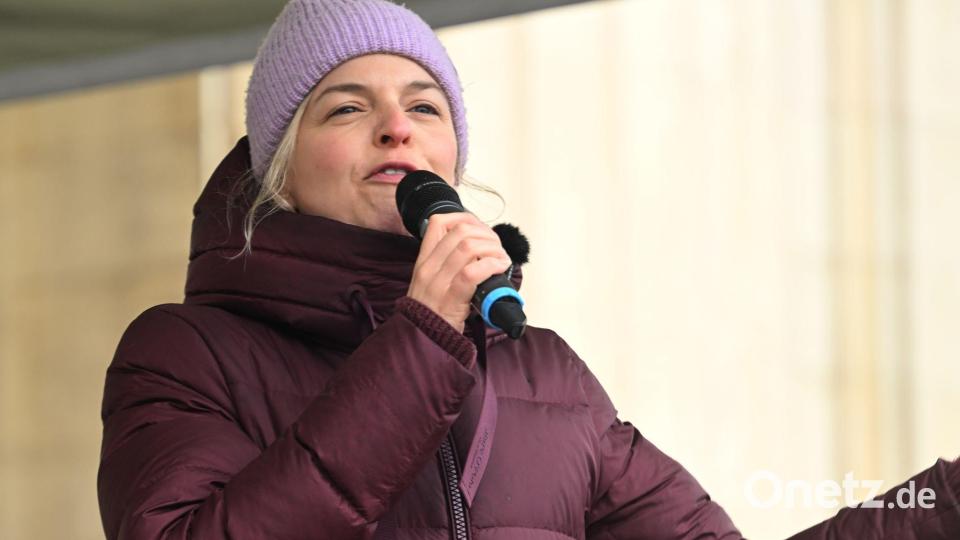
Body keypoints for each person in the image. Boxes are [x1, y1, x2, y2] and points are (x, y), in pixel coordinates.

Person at [97, 1, 960, 538]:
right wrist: (424, 336)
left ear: (450, 155)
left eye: (424, 107)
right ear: (280, 171)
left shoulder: (541, 370)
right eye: (348, 107)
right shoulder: (183, 353)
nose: (397, 128)